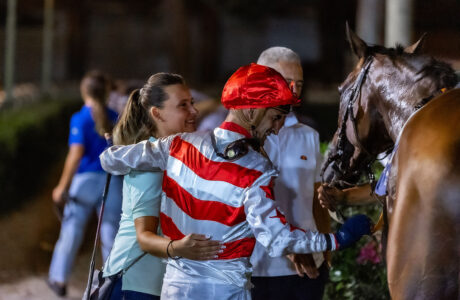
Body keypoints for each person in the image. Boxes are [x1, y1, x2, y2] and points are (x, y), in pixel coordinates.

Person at [99, 63, 372, 300]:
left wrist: (119, 146)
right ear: (251, 111)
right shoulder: (257, 170)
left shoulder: (177, 145)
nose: (277, 129)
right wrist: (338, 239)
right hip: (225, 291)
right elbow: (278, 240)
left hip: (174, 289)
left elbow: (110, 160)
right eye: (275, 117)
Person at [102, 73, 224, 300]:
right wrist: (180, 248)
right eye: (183, 105)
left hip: (158, 284)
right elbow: (144, 237)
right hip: (135, 283)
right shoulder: (148, 163)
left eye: (192, 103)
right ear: (156, 114)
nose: (194, 111)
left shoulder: (178, 157)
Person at [249, 46, 331, 300]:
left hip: (307, 270)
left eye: (299, 83)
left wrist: (326, 253)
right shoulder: (238, 137)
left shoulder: (309, 135)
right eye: (286, 82)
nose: (294, 90)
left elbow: (316, 200)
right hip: (253, 267)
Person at [48, 71, 123, 297]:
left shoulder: (80, 118)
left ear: (84, 92)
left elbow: (75, 154)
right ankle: (113, 284)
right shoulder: (116, 116)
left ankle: (58, 278)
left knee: (72, 229)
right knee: (111, 232)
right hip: (111, 180)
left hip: (85, 181)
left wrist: (62, 185)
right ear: (108, 92)